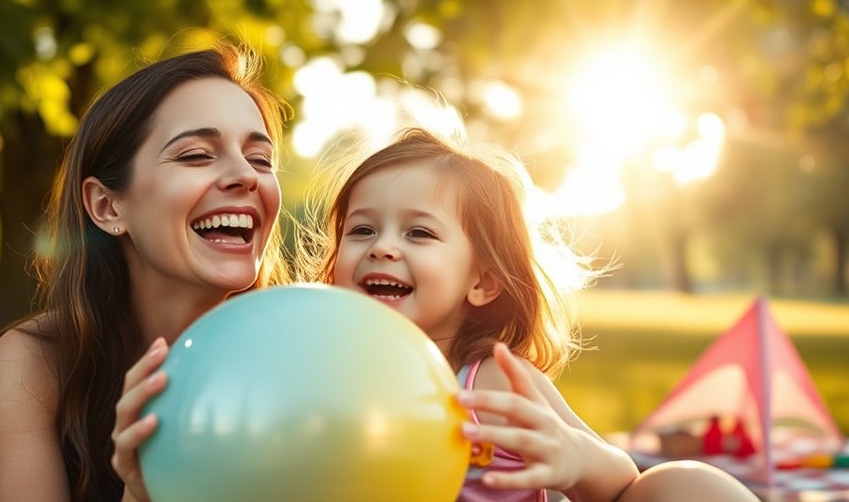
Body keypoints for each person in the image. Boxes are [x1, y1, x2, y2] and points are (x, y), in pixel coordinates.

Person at [300, 127, 758, 502]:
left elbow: (620, 481)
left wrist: (575, 459)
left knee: (685, 485)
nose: (382, 246)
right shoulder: (328, 375)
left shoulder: (490, 383)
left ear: (483, 282)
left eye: (418, 233)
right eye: (362, 229)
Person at [0, 42, 291, 502]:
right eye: (196, 155)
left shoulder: (300, 355)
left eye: (260, 159)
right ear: (107, 206)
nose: (246, 175)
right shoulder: (37, 363)